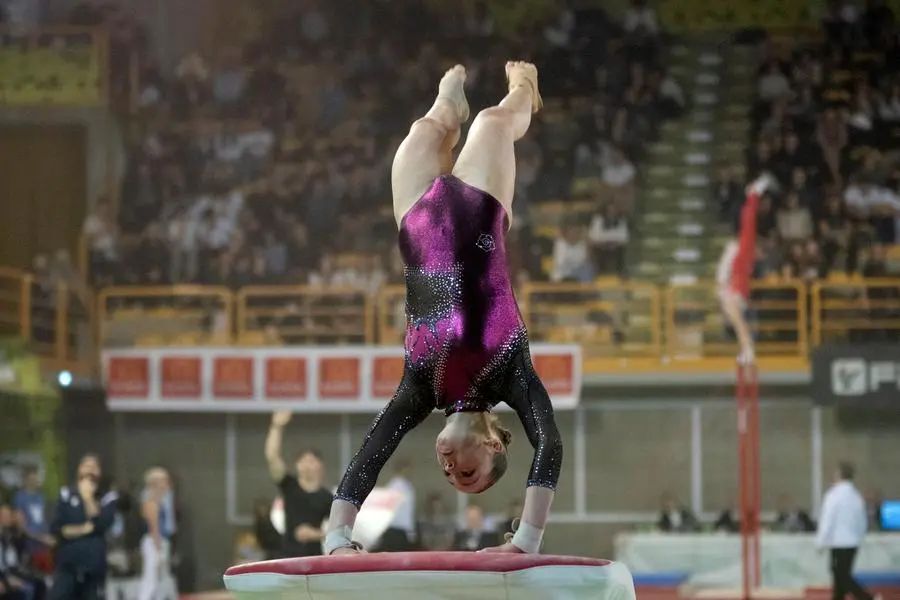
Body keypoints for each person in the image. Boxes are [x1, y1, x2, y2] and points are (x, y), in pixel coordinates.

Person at [324, 62, 563, 557]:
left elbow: (371, 454)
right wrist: (526, 541)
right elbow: (551, 444)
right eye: (467, 473)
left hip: (417, 221)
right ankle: (525, 88)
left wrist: (336, 538)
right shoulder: (511, 375)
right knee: (495, 122)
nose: (451, 468)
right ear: (494, 446)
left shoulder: (420, 389)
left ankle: (448, 105)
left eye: (449, 475)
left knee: (425, 130)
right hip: (480, 208)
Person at [716, 173, 778, 365]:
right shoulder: (729, 305)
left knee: (747, 225)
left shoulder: (727, 303)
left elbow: (722, 276)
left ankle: (754, 193)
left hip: (737, 280)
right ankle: (753, 193)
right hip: (739, 281)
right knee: (747, 225)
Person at [47, 455, 117, 600]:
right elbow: (57, 528)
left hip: (93, 566)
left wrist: (88, 499)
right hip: (68, 564)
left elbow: (102, 524)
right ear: (79, 470)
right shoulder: (65, 494)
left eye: (94, 467)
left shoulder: (107, 497)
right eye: (86, 466)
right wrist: (83, 529)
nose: (90, 470)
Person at [264, 411, 332, 557]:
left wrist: (316, 534)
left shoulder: (326, 497)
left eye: (311, 461)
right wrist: (276, 427)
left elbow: (339, 532)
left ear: (320, 466)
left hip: (314, 557)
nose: (306, 465)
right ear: (297, 465)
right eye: (302, 461)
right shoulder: (289, 486)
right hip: (288, 554)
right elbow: (272, 457)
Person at [816, 462, 881, 600]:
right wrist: (860, 537)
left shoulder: (833, 495)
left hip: (838, 542)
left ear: (838, 475)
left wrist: (821, 541)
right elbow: (862, 521)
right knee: (841, 576)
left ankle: (867, 598)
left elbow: (828, 520)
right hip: (852, 542)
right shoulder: (857, 496)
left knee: (841, 576)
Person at [137, 468, 178, 600]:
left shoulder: (162, 501)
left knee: (163, 580)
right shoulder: (151, 502)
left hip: (161, 542)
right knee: (150, 579)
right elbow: (154, 528)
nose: (167, 483)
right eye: (164, 480)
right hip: (154, 542)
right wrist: (158, 549)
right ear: (155, 483)